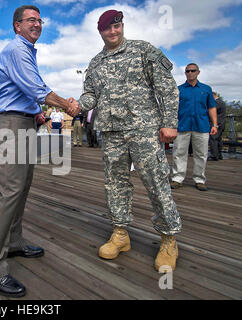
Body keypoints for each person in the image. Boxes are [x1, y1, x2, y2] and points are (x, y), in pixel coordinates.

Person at [0, 5, 79, 298]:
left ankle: (13, 242)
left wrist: (36, 113)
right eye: (31, 20)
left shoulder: (26, 52)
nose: (37, 24)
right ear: (17, 26)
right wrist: (67, 105)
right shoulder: (17, 50)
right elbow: (37, 89)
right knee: (10, 190)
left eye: (40, 19)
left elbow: (27, 94)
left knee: (22, 187)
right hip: (10, 124)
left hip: (24, 122)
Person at [78, 10, 182, 272]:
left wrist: (170, 122)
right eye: (107, 29)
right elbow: (90, 95)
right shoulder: (95, 63)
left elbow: (167, 87)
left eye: (117, 26)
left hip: (143, 130)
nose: (113, 32)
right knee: (115, 184)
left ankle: (169, 239)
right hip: (112, 133)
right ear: (100, 32)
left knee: (156, 181)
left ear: (122, 26)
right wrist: (77, 104)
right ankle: (120, 234)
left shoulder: (143, 51)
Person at [170, 63, 218, 191]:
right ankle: (177, 178)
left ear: (198, 72)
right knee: (179, 153)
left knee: (201, 154)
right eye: (187, 71)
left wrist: (215, 124)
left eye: (193, 71)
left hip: (201, 126)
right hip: (182, 125)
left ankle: (199, 179)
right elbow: (172, 109)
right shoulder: (178, 89)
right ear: (185, 73)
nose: (190, 73)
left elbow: (211, 107)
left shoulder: (206, 89)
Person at [208, 92, 226, 161]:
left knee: (213, 139)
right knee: (218, 139)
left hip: (217, 124)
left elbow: (212, 110)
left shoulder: (217, 103)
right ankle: (219, 154)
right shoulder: (222, 102)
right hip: (221, 123)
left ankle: (214, 155)